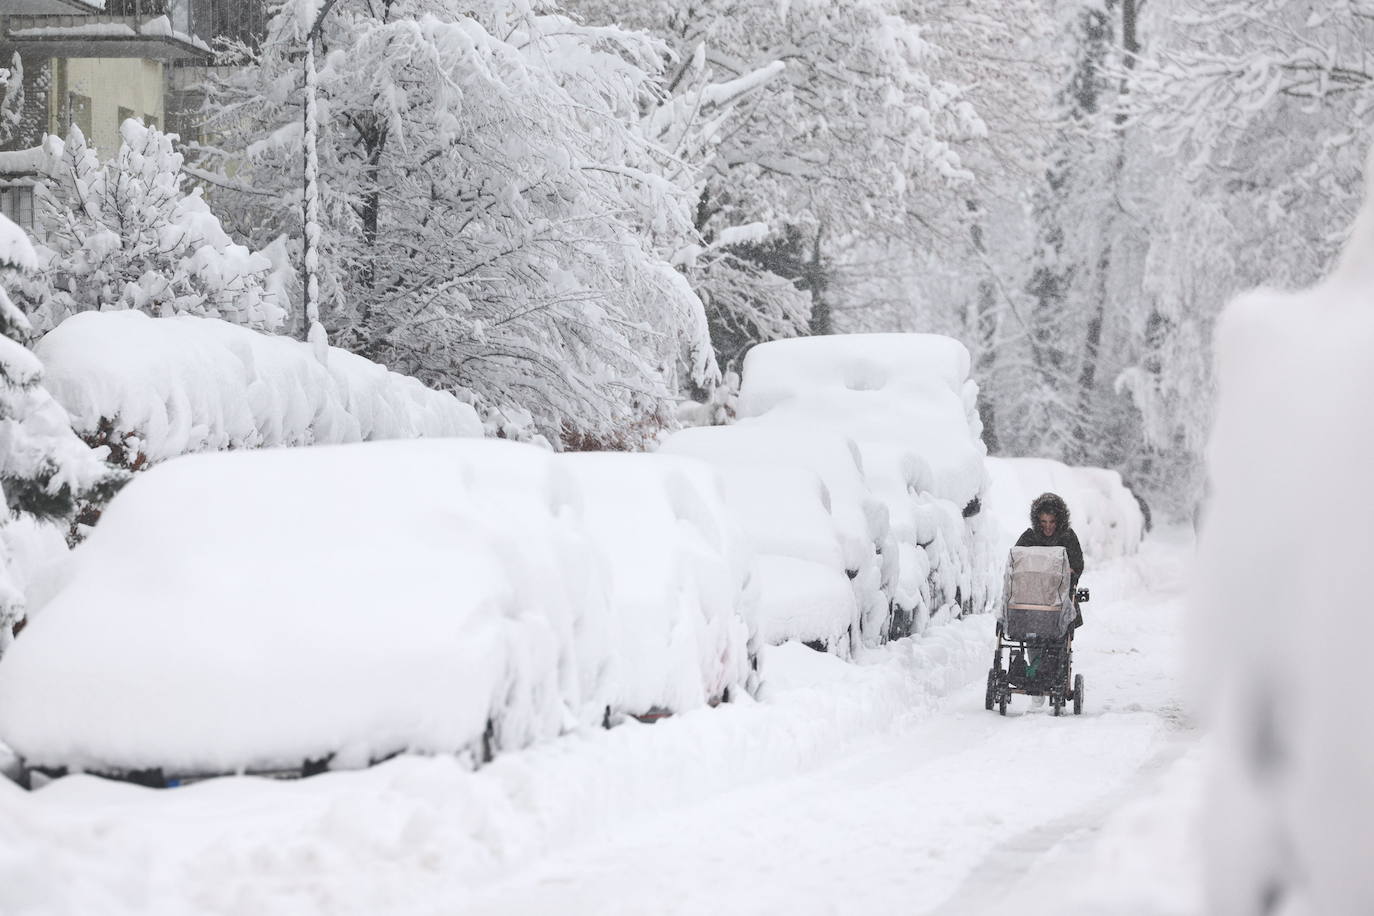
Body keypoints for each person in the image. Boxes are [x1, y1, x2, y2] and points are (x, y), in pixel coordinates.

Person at [1014, 492, 1084, 697]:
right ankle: (1034, 672)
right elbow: (1016, 561)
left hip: (1059, 600)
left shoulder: (1068, 537)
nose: (1048, 526)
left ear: (1059, 520)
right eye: (1043, 521)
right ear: (1037, 520)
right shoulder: (1029, 537)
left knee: (1058, 639)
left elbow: (1078, 564)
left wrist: (1071, 572)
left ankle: (1053, 674)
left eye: (1052, 521)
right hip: (1033, 599)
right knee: (1032, 637)